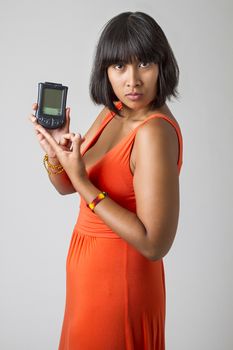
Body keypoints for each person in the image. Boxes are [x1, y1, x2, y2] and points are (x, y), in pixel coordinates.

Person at [30, 11, 183, 350]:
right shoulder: (115, 109)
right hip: (90, 283)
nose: (132, 80)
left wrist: (84, 184)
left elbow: (154, 244)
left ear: (162, 65)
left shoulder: (154, 132)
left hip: (121, 287)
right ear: (105, 71)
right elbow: (67, 186)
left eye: (144, 63)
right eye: (119, 67)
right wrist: (56, 151)